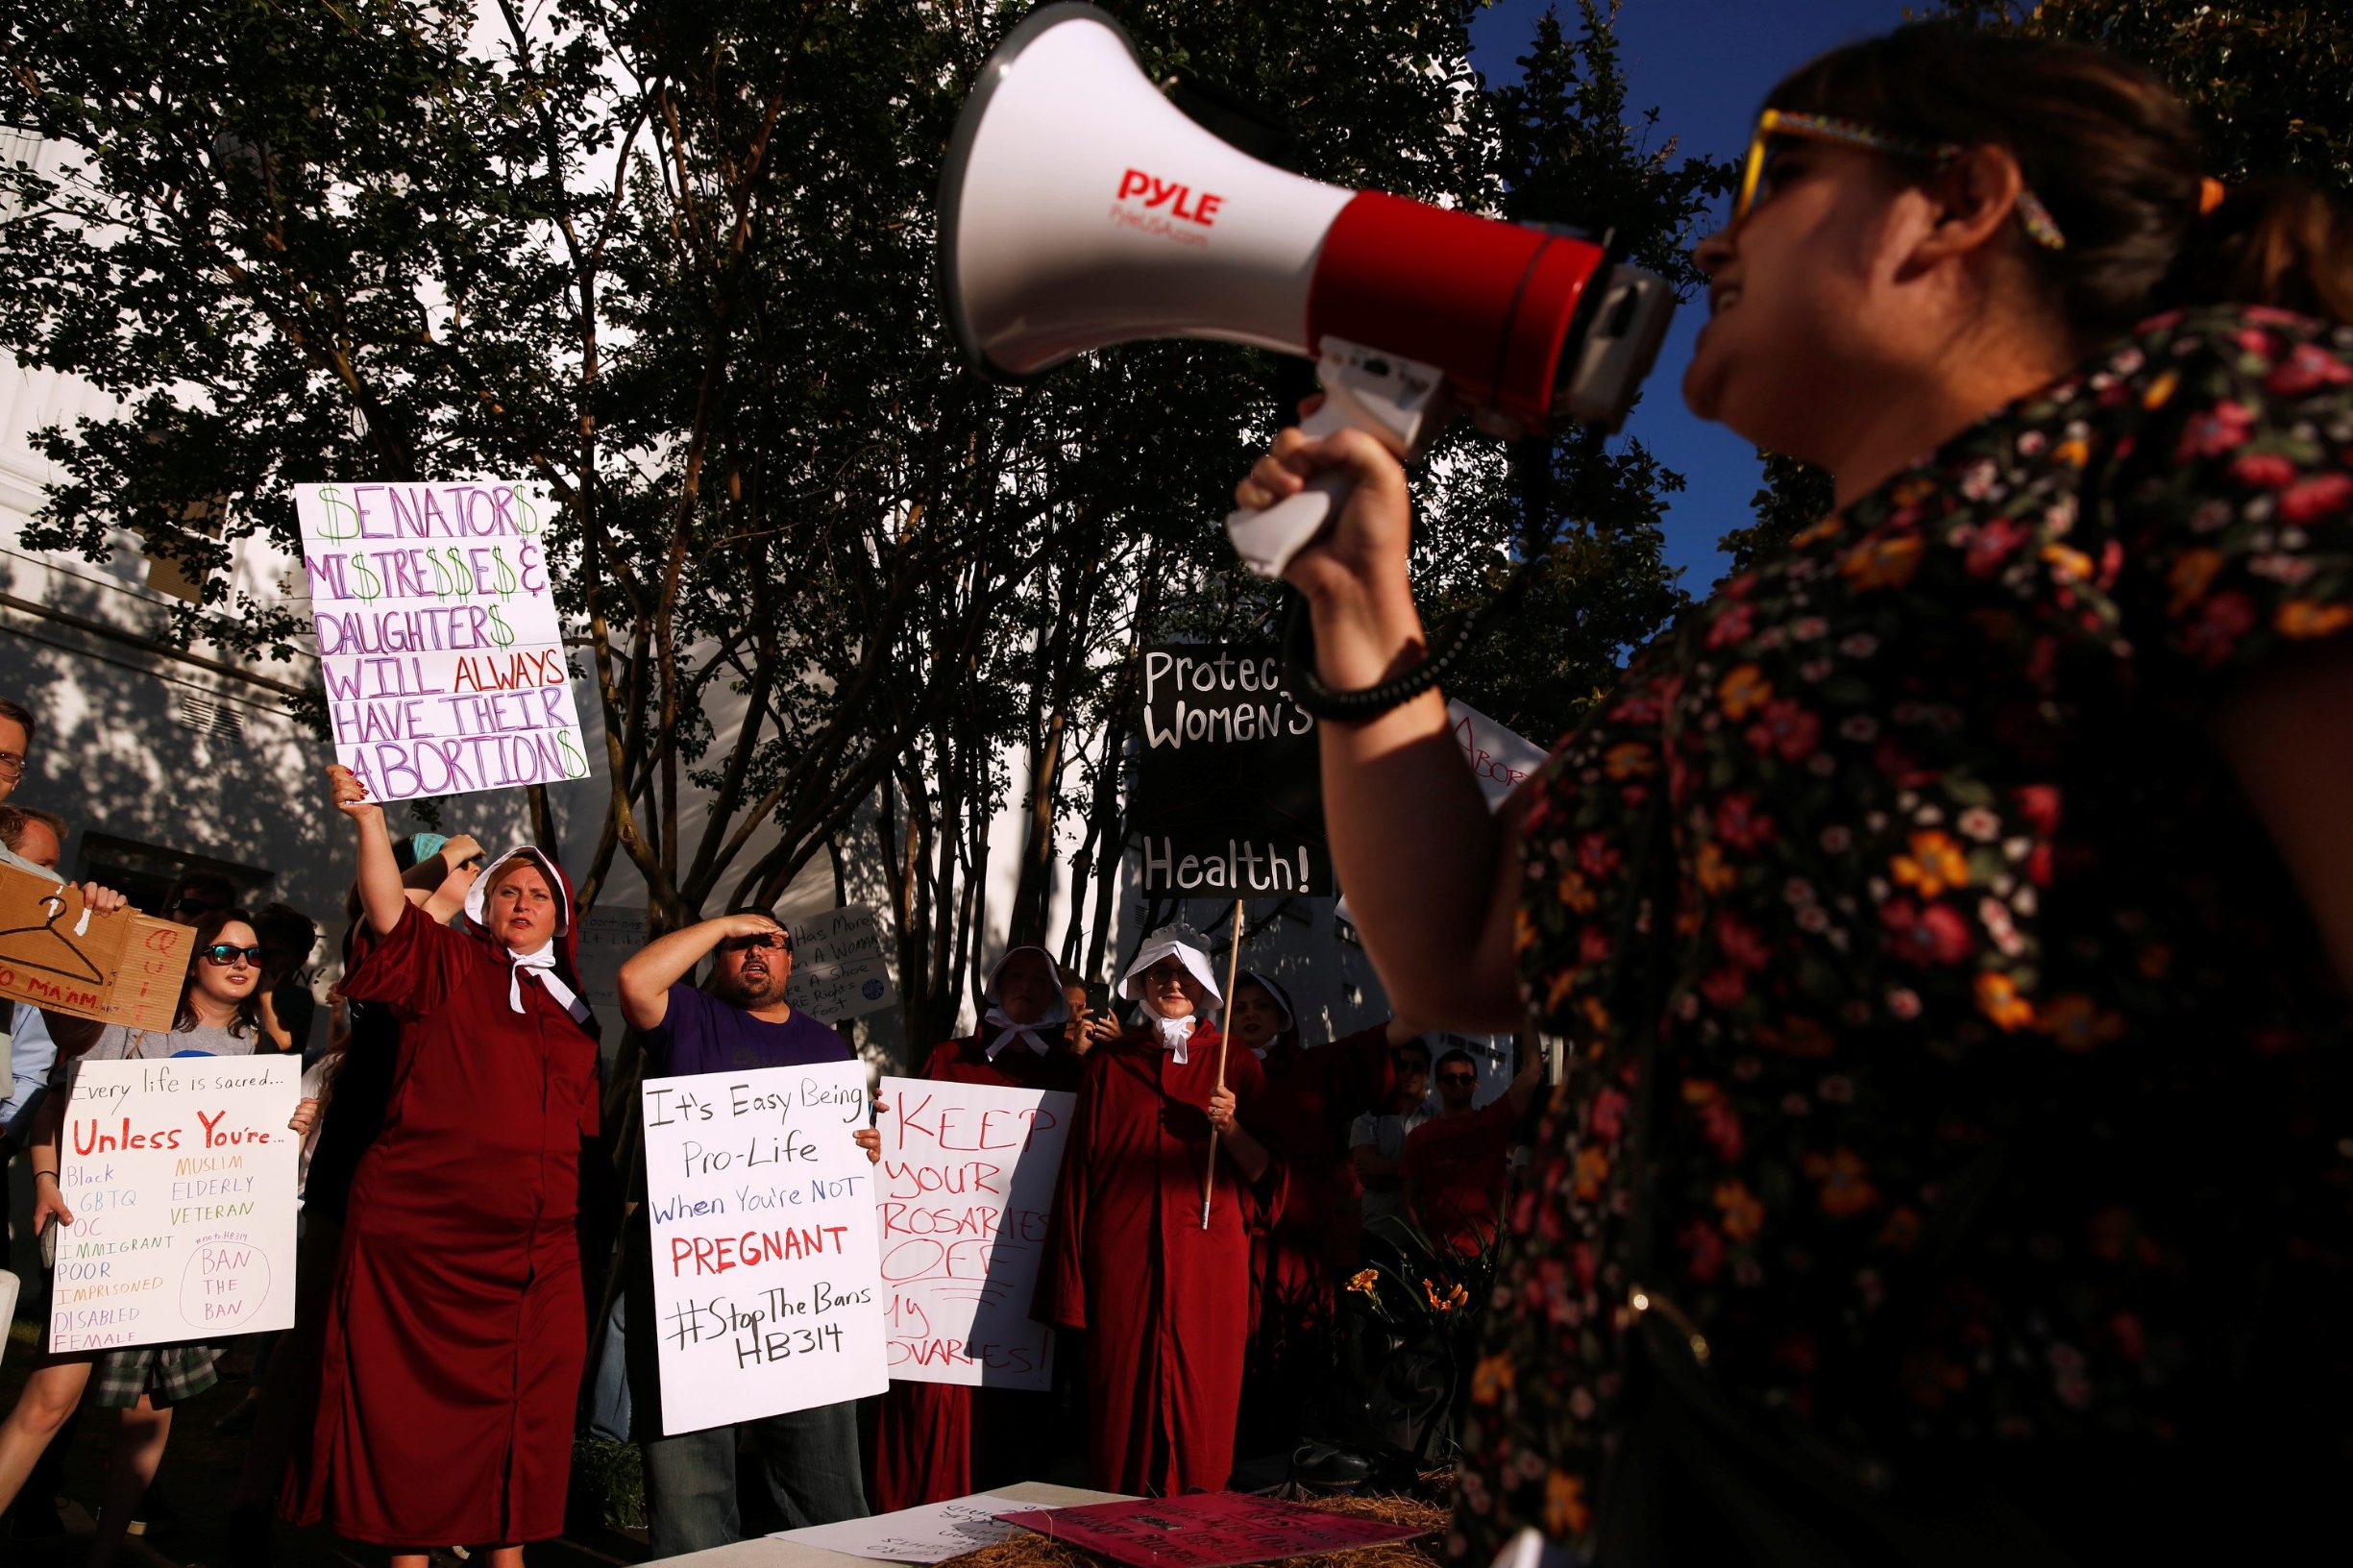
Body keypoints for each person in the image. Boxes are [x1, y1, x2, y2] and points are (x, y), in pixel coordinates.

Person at [1236, 20, 2353, 1560]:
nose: (1712, 231)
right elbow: (1464, 952)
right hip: (1632, 1493)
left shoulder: (2206, 421)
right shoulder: (1750, 635)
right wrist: (1366, 605)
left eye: (1776, 172)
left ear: (1958, 202)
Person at [287, 767, 601, 1568]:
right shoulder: (448, 964)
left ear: (561, 917)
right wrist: (367, 820)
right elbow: (389, 912)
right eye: (508, 891)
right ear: (482, 907)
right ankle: (407, 1556)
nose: (523, 903)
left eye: (539, 894)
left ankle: (508, 1556)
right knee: (408, 1419)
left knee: (528, 1416)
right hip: (421, 1245)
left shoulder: (576, 1014)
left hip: (535, 1257)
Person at [0, 906, 316, 1567]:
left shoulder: (262, 1055)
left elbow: (257, 1165)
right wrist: (47, 1178)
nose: (239, 964)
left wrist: (294, 1126)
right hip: (107, 1244)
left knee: (147, 1416)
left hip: (182, 1258)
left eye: (252, 956)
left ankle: (106, 1555)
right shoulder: (131, 1029)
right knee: (49, 1402)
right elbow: (58, 1105)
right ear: (191, 960)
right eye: (224, 951)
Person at [227, 833, 482, 1565]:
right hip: (357, 1164)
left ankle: (402, 1503)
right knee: (309, 1339)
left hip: (430, 1175)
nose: (471, 876)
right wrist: (441, 861)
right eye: (459, 867)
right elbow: (397, 905)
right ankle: (256, 1497)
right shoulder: (386, 937)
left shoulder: (474, 960)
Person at [616, 908, 880, 1556]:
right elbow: (634, 980)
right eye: (740, 944)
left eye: (771, 943)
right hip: (697, 1297)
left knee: (824, 1483)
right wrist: (723, 923)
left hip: (803, 1301)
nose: (755, 952)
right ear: (716, 955)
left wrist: (863, 1148)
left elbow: (837, 1161)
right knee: (690, 1491)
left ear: (792, 961)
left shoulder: (827, 1046)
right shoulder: (689, 1020)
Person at [1036, 924, 1283, 1496]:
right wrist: (1072, 1288)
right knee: (1122, 1399)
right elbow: (1078, 1177)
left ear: (1203, 986)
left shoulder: (1236, 1064)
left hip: (1208, 1265)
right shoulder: (1111, 1065)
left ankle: (1198, 1528)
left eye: (1184, 974)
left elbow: (1272, 1180)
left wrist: (1233, 1126)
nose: (1172, 983)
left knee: (1202, 1403)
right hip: (1125, 1268)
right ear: (1141, 983)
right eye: (1159, 973)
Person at [872, 944, 1085, 1510]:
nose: (1024, 988)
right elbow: (908, 1158)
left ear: (1056, 996)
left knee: (1011, 1405)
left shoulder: (1072, 1073)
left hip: (1022, 1272)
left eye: (1038, 980)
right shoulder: (950, 1058)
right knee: (935, 1399)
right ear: (993, 986)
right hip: (939, 1269)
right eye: (1012, 976)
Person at [1228, 969, 1414, 1458]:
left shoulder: (1314, 1068)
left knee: (1294, 1362)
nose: (1249, 1015)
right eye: (1240, 1006)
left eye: (1260, 1007)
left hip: (1297, 1243)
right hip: (1233, 1241)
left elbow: (1372, 1047)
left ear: (1282, 1017)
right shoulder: (1214, 1071)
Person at [1399, 1045, 1544, 1260]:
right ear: (1438, 1084)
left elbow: (1533, 1071)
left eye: (1465, 1079)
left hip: (1496, 1254)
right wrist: (1429, 1250)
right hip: (1447, 1258)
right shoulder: (1420, 1138)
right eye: (1450, 1078)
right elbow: (1409, 1198)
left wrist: (1529, 1014)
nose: (1458, 1083)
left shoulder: (1493, 1120)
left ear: (1475, 1084)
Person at [1348, 1037, 1434, 1230]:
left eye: (1417, 1067)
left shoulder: (1440, 1120)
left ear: (1427, 1074)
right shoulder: (1368, 1118)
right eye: (1402, 1066)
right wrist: (1420, 1177)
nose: (1409, 1072)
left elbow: (1442, 1178)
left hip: (1427, 1236)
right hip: (1379, 1233)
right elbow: (1369, 1178)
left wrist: (1388, 1167)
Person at [251, 902, 320, 1055]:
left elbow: (282, 1046)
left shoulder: (299, 998)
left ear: (300, 958)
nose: (266, 959)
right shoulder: (239, 989)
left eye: (277, 953)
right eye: (260, 951)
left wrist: (265, 995)